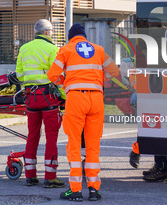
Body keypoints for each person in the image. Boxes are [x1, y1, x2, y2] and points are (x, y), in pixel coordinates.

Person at [47, 23, 119, 202]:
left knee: (74, 144)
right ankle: (94, 189)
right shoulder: (98, 49)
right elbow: (115, 71)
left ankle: (76, 190)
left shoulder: (66, 49)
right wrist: (99, 78)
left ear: (71, 37)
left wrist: (65, 82)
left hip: (76, 99)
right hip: (96, 100)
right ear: (84, 36)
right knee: (93, 146)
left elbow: (52, 75)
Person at [16, 19, 66, 188]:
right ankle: (50, 177)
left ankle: (30, 176)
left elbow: (20, 75)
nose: (51, 34)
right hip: (48, 97)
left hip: (31, 97)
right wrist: (64, 97)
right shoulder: (52, 49)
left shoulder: (24, 49)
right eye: (51, 32)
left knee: (33, 135)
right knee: (51, 136)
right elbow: (57, 77)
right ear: (47, 32)